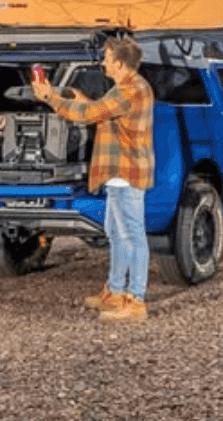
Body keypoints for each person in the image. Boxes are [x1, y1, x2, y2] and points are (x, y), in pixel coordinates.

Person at [32, 36, 154, 323]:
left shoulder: (130, 89)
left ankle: (136, 300)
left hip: (127, 172)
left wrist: (50, 97)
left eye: (107, 58)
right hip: (117, 173)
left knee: (133, 237)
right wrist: (86, 102)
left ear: (120, 63)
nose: (103, 62)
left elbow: (88, 115)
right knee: (115, 232)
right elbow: (105, 112)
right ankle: (114, 291)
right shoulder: (126, 88)